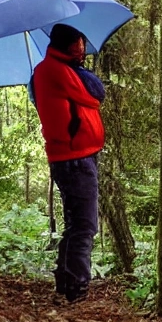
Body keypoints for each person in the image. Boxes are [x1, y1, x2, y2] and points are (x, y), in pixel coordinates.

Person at [31, 23, 105, 303]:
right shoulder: (57, 70)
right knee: (85, 225)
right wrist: (79, 67)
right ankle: (77, 289)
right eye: (79, 43)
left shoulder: (56, 68)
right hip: (74, 157)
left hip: (75, 154)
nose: (83, 48)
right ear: (69, 45)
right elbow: (96, 93)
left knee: (76, 223)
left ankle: (65, 281)